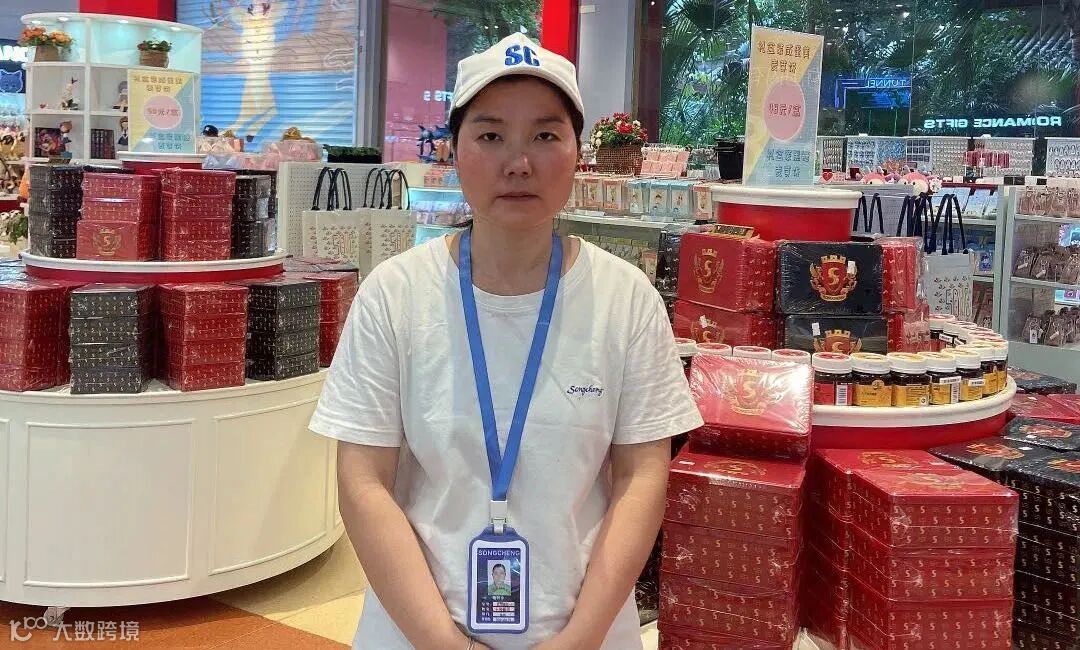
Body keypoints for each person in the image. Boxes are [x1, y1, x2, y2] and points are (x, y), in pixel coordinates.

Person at [309, 32, 702, 650]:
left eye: (545, 135)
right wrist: (444, 644)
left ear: (577, 153)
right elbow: (362, 483)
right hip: (415, 631)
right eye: (491, 136)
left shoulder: (626, 299)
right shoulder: (395, 294)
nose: (518, 163)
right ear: (453, 150)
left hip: (588, 630)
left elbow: (642, 477)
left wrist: (579, 639)